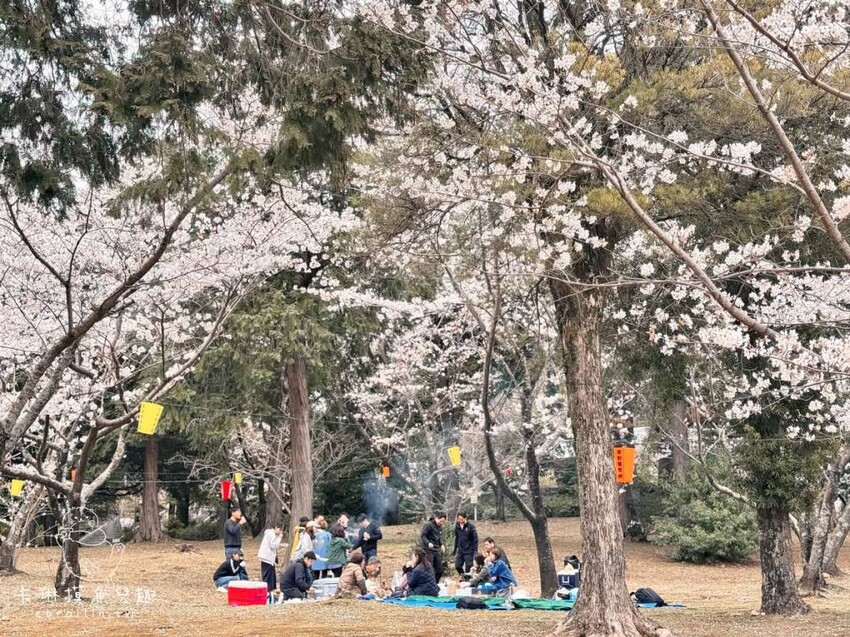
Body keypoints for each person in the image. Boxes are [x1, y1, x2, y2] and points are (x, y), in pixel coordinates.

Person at [420, 512, 446, 582]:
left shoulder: (440, 527)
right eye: (441, 521)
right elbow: (423, 535)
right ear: (437, 518)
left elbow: (439, 538)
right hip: (428, 550)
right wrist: (428, 543)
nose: (441, 523)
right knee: (430, 569)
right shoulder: (429, 525)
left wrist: (442, 545)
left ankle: (435, 583)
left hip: (436, 550)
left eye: (443, 522)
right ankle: (429, 583)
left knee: (439, 570)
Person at [257, 524, 284, 592]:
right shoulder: (271, 534)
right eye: (279, 530)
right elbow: (272, 545)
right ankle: (268, 590)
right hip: (267, 557)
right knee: (268, 575)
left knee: (270, 575)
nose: (280, 532)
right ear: (276, 528)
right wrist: (279, 538)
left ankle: (270, 589)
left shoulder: (270, 534)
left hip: (267, 557)